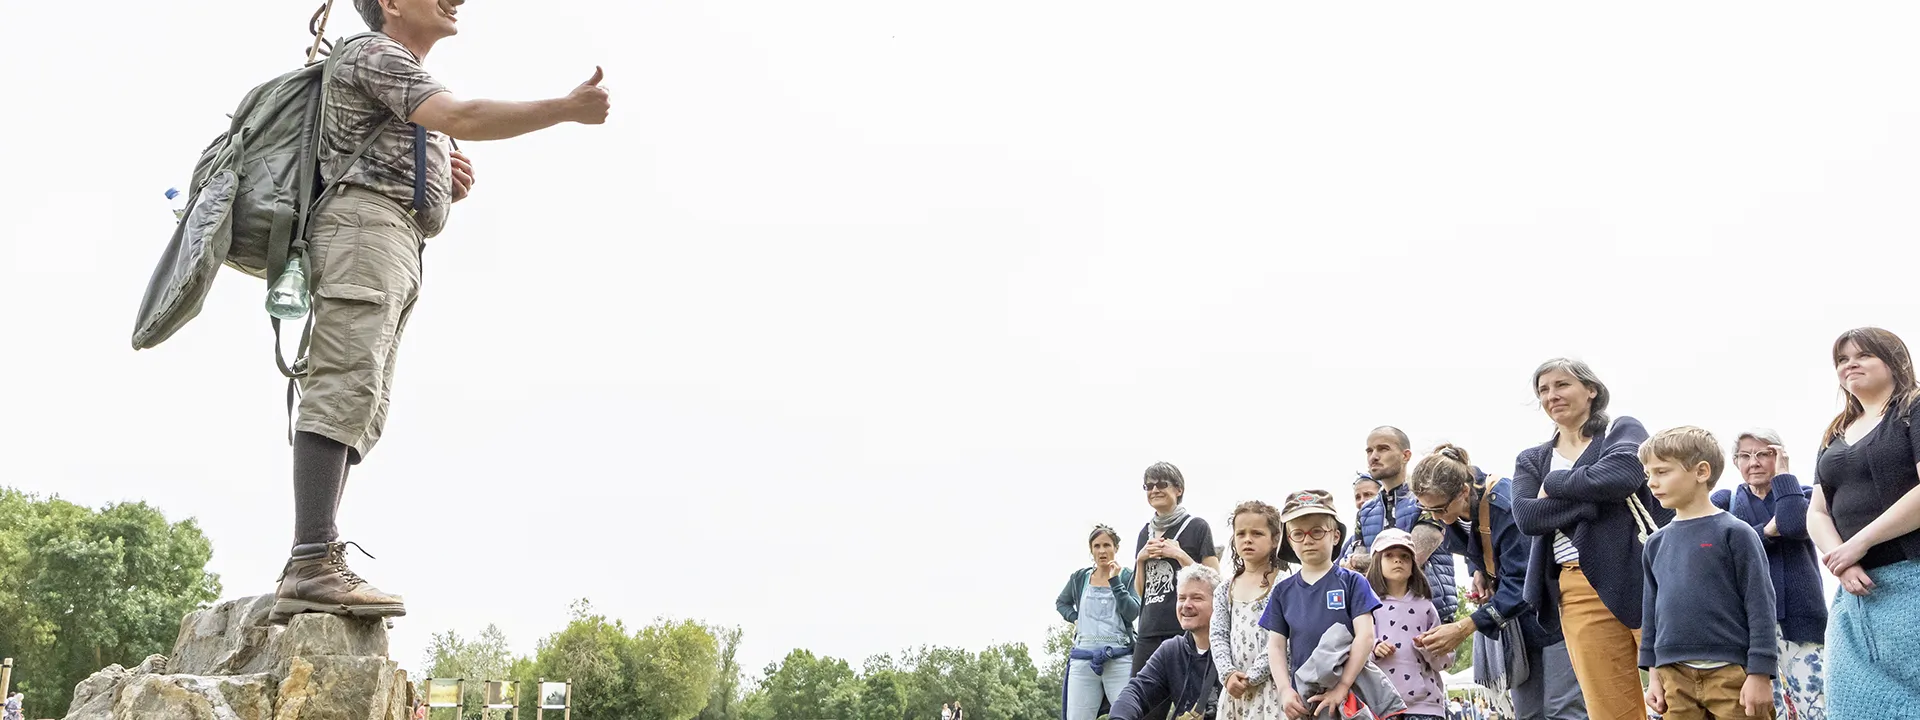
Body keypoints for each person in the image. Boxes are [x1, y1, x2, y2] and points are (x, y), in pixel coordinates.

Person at [269, 0, 612, 624]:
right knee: (343, 380)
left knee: (362, 398)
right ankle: (312, 558)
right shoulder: (376, 52)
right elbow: (463, 114)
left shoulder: (403, 73)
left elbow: (436, 127)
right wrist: (565, 109)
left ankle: (318, 555)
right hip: (362, 232)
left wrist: (433, 171)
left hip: (393, 239)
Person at [1510, 358, 1670, 720]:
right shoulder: (1533, 458)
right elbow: (1527, 516)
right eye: (1544, 390)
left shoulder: (1620, 429)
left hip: (1644, 575)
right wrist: (1592, 504)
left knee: (1680, 692)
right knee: (1610, 708)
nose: (1552, 395)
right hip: (1576, 587)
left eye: (1561, 385)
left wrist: (1553, 485)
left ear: (1591, 390)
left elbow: (1624, 474)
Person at [1412, 444, 1585, 720]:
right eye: (1426, 509)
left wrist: (1464, 627)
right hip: (1521, 623)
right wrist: (1479, 570)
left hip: (1556, 613)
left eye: (1440, 509)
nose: (1435, 518)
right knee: (1528, 713)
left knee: (1563, 709)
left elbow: (1521, 583)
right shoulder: (1459, 508)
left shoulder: (1506, 505)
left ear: (1464, 492)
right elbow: (1477, 543)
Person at [1807, 327, 1920, 714]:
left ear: (1893, 361)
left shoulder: (1913, 409)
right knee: (1852, 703)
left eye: (1863, 355)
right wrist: (1843, 558)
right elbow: (1817, 511)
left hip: (1912, 576)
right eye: (1842, 359)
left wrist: (1862, 541)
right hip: (1855, 593)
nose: (1850, 364)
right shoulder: (1834, 433)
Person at [1637, 426, 1777, 720]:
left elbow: (1760, 604)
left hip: (1732, 675)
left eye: (1662, 472)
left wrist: (1760, 673)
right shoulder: (1654, 543)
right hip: (1674, 677)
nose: (1651, 482)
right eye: (1649, 474)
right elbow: (1651, 612)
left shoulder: (1735, 533)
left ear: (1701, 472)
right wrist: (1653, 672)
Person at [1711, 429, 1826, 720]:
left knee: (1816, 704)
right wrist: (1766, 532)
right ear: (1735, 462)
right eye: (1746, 455)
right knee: (1761, 710)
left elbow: (1794, 526)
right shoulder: (1724, 502)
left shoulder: (1802, 495)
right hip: (1746, 624)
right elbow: (1721, 550)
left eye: (1765, 454)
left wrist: (1784, 476)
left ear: (1780, 457)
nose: (1755, 462)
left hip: (1799, 619)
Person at [1263, 490, 1404, 719]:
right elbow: (1276, 647)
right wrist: (1285, 690)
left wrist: (1342, 686)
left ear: (1336, 536)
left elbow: (1366, 637)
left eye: (1317, 531)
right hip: (1306, 700)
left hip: (1352, 697)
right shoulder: (1282, 592)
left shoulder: (1353, 582)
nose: (1307, 540)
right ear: (1289, 539)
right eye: (1298, 533)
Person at [1132, 462, 1221, 720]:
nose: (1154, 490)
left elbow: (1216, 580)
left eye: (1162, 484)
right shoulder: (1144, 533)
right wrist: (1140, 560)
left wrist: (1180, 555)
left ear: (1178, 489)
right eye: (1148, 486)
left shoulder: (1197, 526)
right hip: (1149, 630)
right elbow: (1142, 592)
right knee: (1145, 709)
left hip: (1185, 631)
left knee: (1193, 708)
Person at [1346, 427, 1460, 623]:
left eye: (1383, 449)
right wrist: (1355, 563)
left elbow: (1415, 555)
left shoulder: (1427, 498)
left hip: (1430, 613)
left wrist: (1357, 561)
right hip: (1379, 615)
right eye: (1369, 451)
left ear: (1406, 455)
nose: (1374, 456)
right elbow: (1354, 570)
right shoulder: (1365, 512)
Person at [1210, 500, 1293, 720]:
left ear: (1275, 539)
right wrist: (1228, 674)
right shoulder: (1224, 589)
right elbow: (1218, 635)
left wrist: (1252, 677)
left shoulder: (1284, 585)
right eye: (1241, 533)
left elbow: (1284, 639)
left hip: (1272, 688)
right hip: (1234, 692)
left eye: (1257, 533)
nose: (1247, 539)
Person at [1111, 564, 1225, 720]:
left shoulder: (1236, 646)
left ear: (1218, 603)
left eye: (1197, 598)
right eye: (1182, 598)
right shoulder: (1172, 651)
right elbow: (1137, 692)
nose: (1186, 605)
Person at [1366, 528, 1454, 720]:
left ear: (1413, 565)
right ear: (1376, 562)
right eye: (1389, 555)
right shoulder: (1366, 607)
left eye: (1405, 556)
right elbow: (1354, 650)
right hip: (1380, 704)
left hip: (1425, 707)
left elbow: (1446, 660)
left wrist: (1429, 647)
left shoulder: (1426, 607)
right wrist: (1374, 648)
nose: (1398, 560)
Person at [1058, 525, 1143, 720]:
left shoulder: (1128, 577)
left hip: (1119, 658)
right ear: (1091, 549)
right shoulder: (1080, 578)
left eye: (1107, 545)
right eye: (1097, 546)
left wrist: (1115, 582)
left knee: (1128, 715)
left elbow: (1132, 613)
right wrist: (1075, 618)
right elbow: (1062, 603)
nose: (1102, 551)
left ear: (1116, 548)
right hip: (1083, 659)